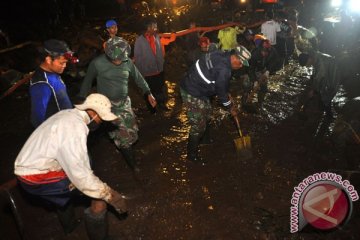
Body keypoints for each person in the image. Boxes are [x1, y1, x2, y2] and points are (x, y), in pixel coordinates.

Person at [14, 93, 128, 239]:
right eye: (101, 118)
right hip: (35, 175)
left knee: (87, 165)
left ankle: (70, 226)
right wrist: (109, 194)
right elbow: (80, 175)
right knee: (98, 198)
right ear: (92, 112)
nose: (101, 122)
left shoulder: (68, 114)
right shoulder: (74, 128)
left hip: (33, 164)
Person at [78, 36, 157, 172]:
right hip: (107, 107)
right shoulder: (97, 63)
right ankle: (133, 166)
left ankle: (123, 146)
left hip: (125, 103)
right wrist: (82, 103)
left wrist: (148, 93)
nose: (119, 61)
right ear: (107, 55)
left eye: (121, 58)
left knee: (132, 132)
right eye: (116, 59)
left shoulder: (127, 62)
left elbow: (138, 78)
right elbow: (87, 82)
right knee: (122, 137)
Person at [180, 45, 251, 163]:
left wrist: (224, 91)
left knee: (207, 112)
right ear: (235, 58)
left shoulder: (220, 54)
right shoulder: (224, 70)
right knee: (198, 125)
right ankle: (191, 156)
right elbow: (222, 95)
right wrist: (230, 108)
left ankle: (205, 140)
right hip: (191, 90)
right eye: (241, 63)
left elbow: (218, 81)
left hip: (199, 87)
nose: (241, 66)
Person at [29, 39, 78, 128]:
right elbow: (37, 119)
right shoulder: (42, 84)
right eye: (61, 63)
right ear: (48, 59)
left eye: (66, 63)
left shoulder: (53, 73)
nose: (65, 66)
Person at [134, 18, 168, 111]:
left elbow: (160, 51)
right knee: (149, 91)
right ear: (148, 28)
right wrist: (141, 72)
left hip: (159, 70)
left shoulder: (156, 37)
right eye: (154, 26)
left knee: (160, 89)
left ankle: (162, 104)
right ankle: (152, 109)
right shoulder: (139, 41)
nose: (156, 28)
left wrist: (162, 63)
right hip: (148, 72)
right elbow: (137, 58)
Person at [298, 51, 341, 118]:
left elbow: (319, 77)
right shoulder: (316, 57)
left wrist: (313, 90)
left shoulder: (322, 63)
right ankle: (325, 113)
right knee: (323, 94)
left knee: (326, 95)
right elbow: (317, 73)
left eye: (306, 64)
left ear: (309, 59)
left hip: (332, 76)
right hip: (329, 72)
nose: (307, 66)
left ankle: (328, 116)